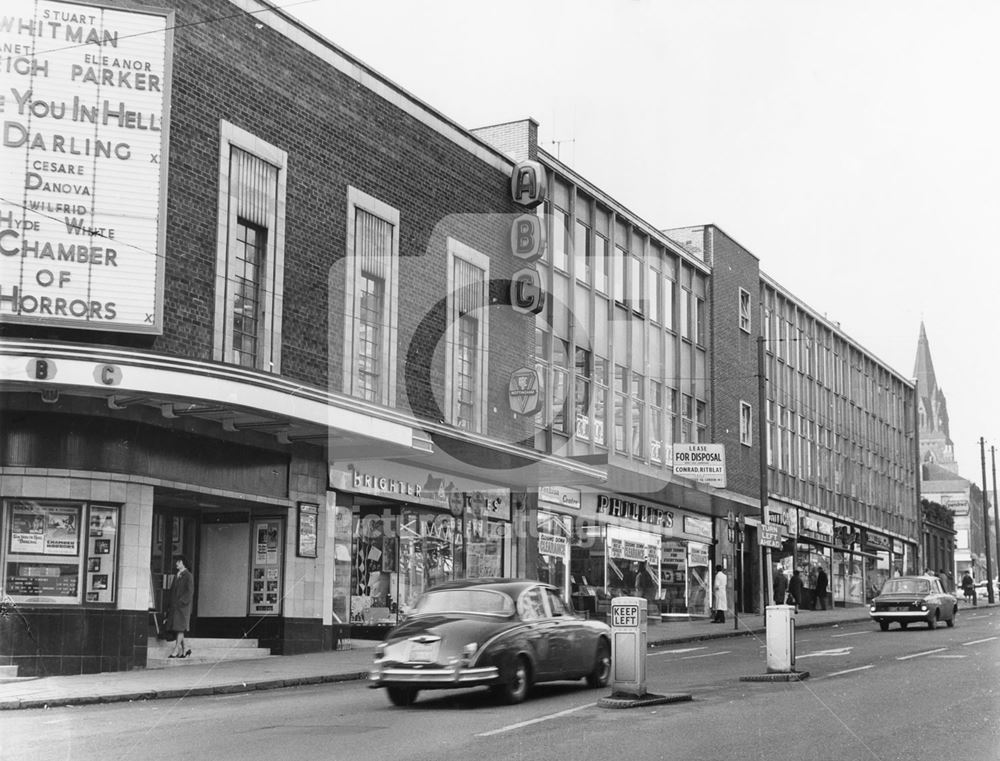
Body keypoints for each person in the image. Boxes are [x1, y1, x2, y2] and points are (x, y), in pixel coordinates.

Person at [166, 555, 194, 658]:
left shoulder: (188, 575)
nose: (176, 564)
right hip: (175, 607)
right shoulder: (177, 575)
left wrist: (181, 602)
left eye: (178, 562)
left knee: (180, 628)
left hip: (182, 607)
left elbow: (190, 592)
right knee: (178, 628)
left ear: (183, 563)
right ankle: (186, 649)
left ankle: (176, 649)